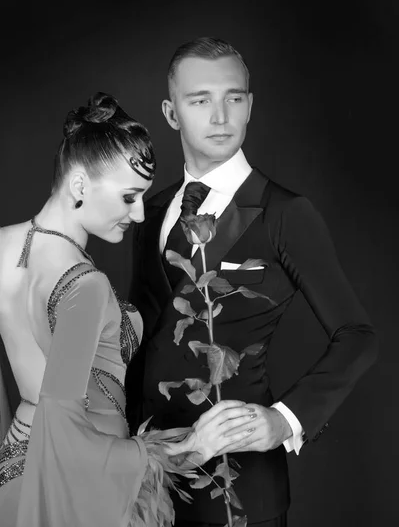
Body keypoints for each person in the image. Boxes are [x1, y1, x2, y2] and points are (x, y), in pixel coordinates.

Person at [127, 37, 378, 527]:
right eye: (200, 100)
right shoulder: (148, 210)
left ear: (250, 106)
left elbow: (358, 337)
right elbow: (138, 338)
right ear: (171, 112)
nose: (220, 116)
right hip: (149, 478)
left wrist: (285, 420)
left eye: (234, 98)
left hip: (240, 489)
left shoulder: (286, 213)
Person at [0, 91, 258, 527]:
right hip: (87, 494)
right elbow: (64, 432)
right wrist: (190, 447)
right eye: (128, 197)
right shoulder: (85, 286)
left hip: (13, 470)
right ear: (79, 184)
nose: (139, 213)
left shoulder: (3, 245)